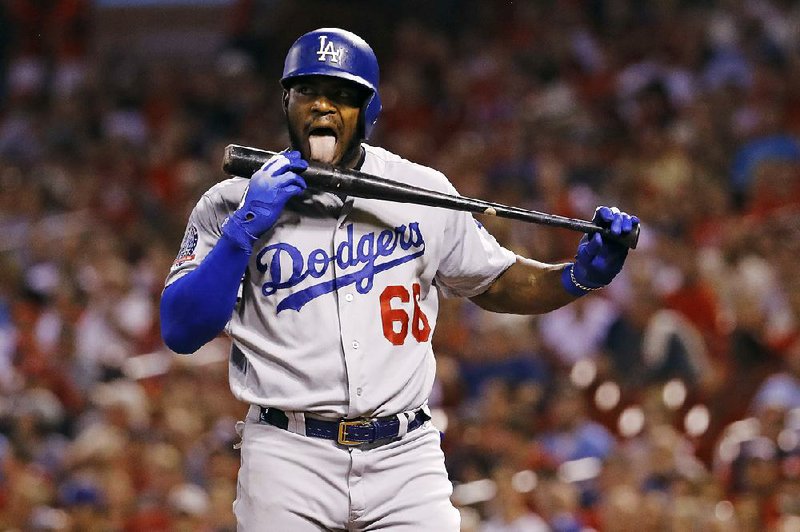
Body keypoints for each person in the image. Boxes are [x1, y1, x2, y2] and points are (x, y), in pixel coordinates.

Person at [159, 27, 639, 531]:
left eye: (343, 96)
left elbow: (494, 280)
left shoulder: (419, 190)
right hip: (287, 455)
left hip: (404, 456)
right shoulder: (232, 201)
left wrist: (577, 278)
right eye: (309, 92)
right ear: (287, 101)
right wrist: (242, 233)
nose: (324, 108)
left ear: (370, 111)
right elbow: (181, 329)